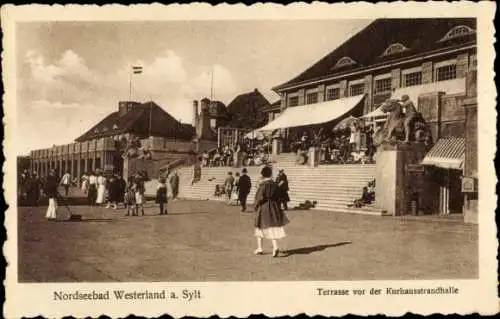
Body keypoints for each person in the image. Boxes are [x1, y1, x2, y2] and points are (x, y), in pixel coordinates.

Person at [253, 166, 289, 257]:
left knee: (259, 226)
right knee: (272, 227)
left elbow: (259, 197)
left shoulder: (263, 185)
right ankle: (275, 246)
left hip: (264, 206)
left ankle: (260, 248)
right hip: (274, 206)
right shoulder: (275, 184)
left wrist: (256, 205)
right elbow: (279, 196)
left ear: (263, 174)